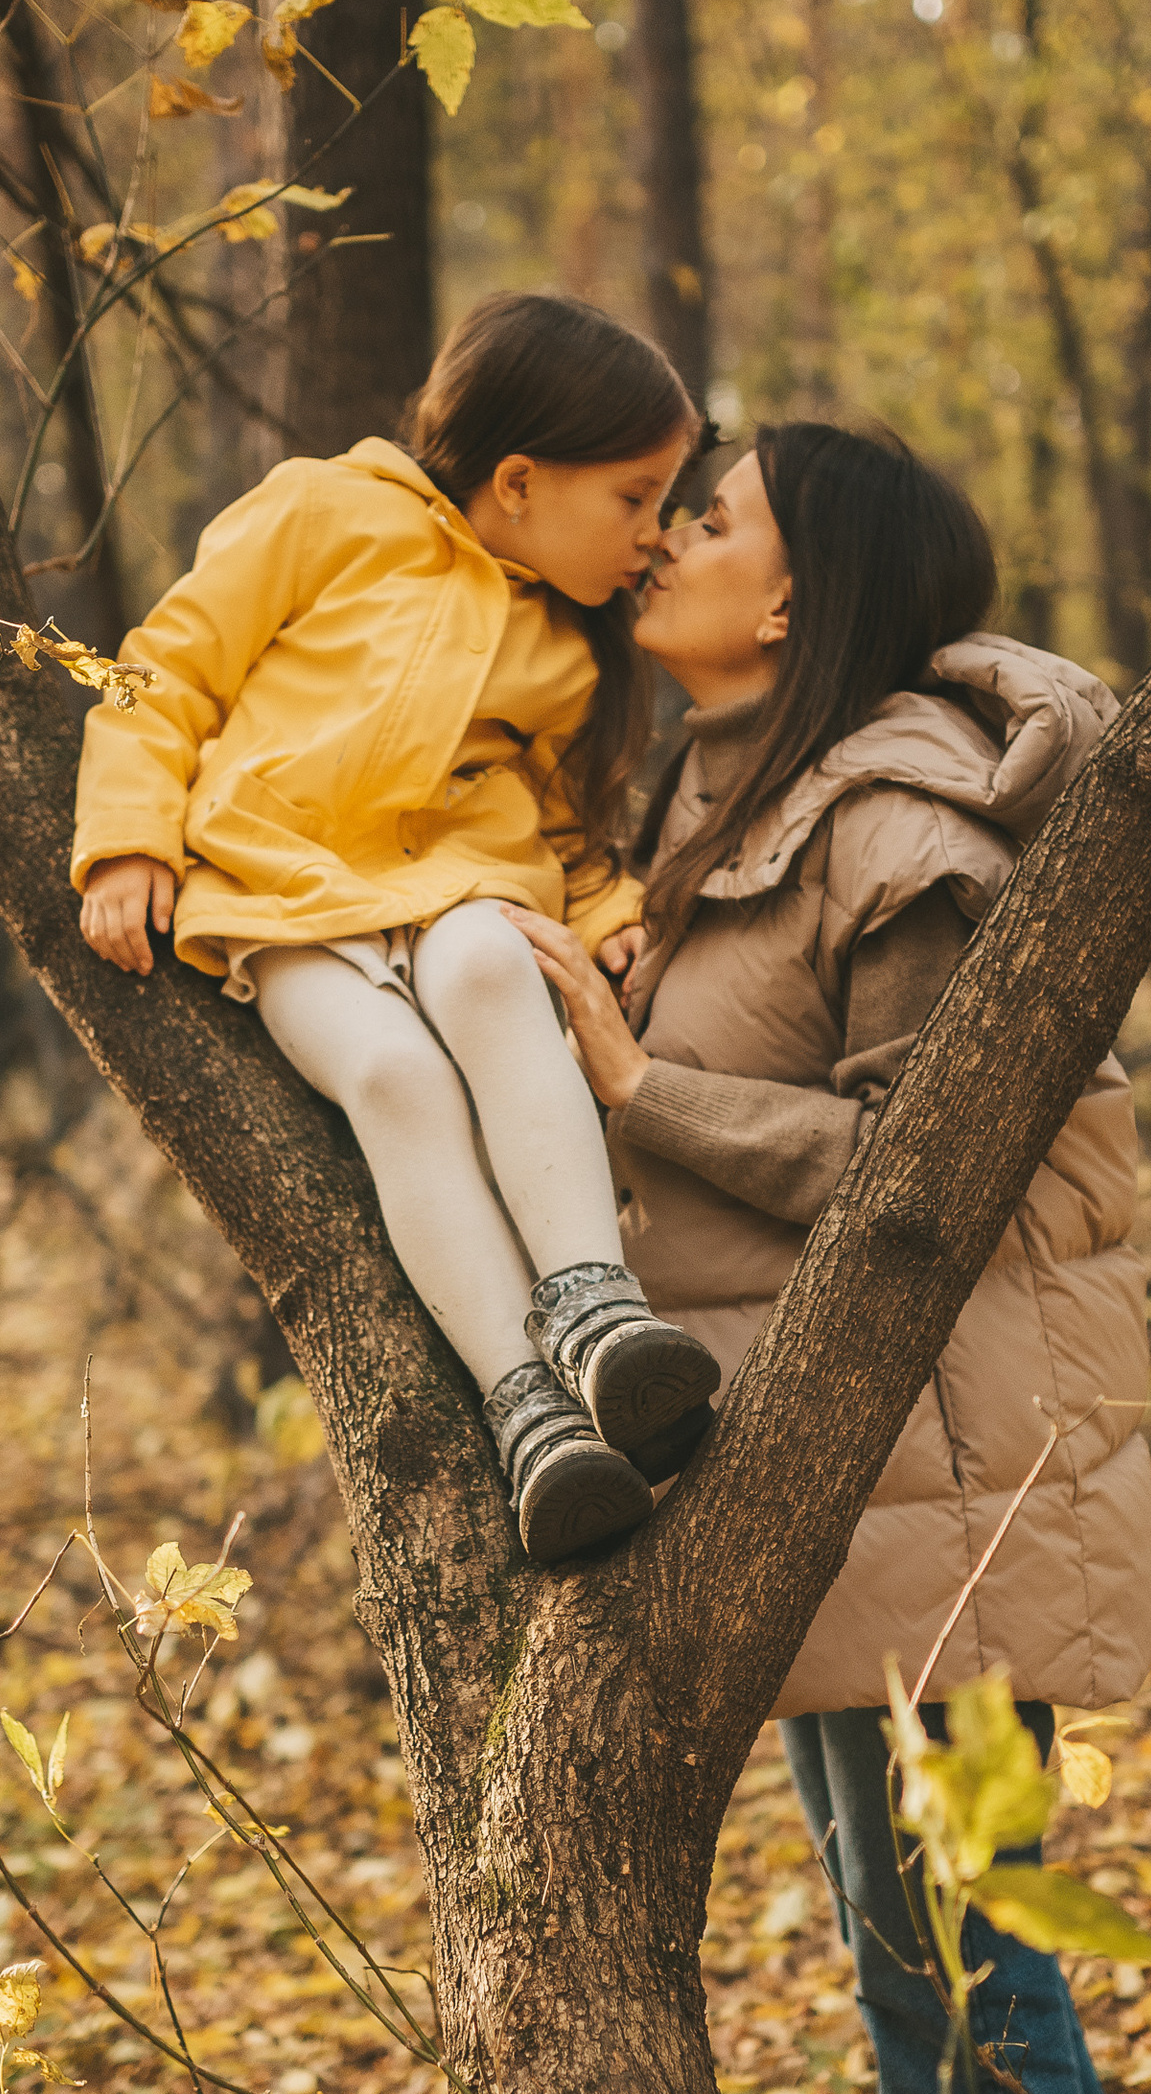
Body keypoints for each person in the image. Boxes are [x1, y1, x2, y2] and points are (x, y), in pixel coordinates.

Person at [506, 422, 1151, 2094]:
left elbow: (929, 1169)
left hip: (948, 1495)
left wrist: (638, 1086)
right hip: (839, 1491)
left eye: (711, 514)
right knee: (941, 1978)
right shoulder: (709, 805)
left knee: (960, 1991)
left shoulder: (894, 828)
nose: (664, 535)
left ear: (793, 595)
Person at [73, 292, 721, 1565]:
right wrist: (130, 836)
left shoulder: (565, 645)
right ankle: (525, 1408)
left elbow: (565, 830)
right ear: (519, 482)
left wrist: (608, 913)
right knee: (391, 1078)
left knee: (490, 968)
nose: (654, 533)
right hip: (280, 894)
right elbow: (168, 670)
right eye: (635, 497)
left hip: (460, 888)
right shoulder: (323, 510)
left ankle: (595, 1309)